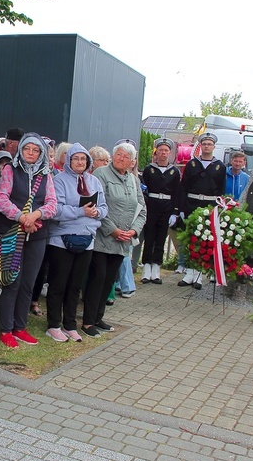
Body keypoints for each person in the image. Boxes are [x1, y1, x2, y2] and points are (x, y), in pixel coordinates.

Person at [0, 133, 57, 348]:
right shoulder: (10, 170)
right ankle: (5, 329)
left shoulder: (46, 175)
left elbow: (52, 204)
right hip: (12, 232)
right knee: (12, 281)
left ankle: (20, 327)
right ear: (20, 149)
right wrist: (22, 217)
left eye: (36, 150)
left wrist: (34, 216)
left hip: (37, 235)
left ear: (41, 153)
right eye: (27, 149)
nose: (31, 153)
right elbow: (1, 200)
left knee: (29, 283)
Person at [45, 143, 106, 343]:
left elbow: (104, 207)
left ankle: (69, 324)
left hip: (87, 238)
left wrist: (97, 212)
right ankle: (53, 325)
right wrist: (81, 212)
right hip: (62, 240)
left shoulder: (94, 181)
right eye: (76, 158)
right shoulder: (59, 181)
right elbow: (56, 210)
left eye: (83, 159)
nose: (80, 162)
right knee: (58, 284)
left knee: (75, 286)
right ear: (69, 160)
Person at [83, 142, 145, 337]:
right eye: (118, 154)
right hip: (103, 238)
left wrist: (133, 231)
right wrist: (113, 230)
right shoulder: (101, 174)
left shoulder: (133, 181)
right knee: (97, 278)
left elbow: (142, 209)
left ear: (132, 162)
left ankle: (98, 317)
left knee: (109, 280)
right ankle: (87, 322)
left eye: (126, 157)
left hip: (123, 241)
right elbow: (97, 204)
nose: (121, 158)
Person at [178, 132, 225, 290]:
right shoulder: (192, 164)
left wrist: (218, 210)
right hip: (192, 204)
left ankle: (199, 273)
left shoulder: (220, 166)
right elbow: (183, 187)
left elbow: (221, 190)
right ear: (200, 146)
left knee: (204, 239)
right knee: (191, 238)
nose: (206, 146)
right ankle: (189, 272)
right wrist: (182, 209)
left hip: (209, 207)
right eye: (204, 144)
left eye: (209, 144)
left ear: (214, 147)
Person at [141, 137, 181, 284]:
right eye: (161, 150)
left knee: (161, 238)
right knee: (149, 236)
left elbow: (177, 192)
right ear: (156, 151)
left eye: (166, 150)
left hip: (167, 206)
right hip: (151, 205)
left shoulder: (174, 172)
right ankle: (146, 266)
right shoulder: (149, 169)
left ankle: (156, 267)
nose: (163, 153)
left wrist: (175, 212)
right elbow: (143, 190)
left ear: (170, 153)